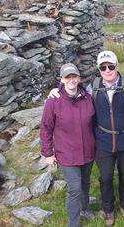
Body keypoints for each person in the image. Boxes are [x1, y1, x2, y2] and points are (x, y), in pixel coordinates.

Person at [48, 51, 124, 226]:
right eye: (103, 67)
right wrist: (56, 90)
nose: (107, 70)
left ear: (117, 66)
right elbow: (72, 92)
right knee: (106, 177)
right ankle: (108, 210)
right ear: (99, 69)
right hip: (102, 142)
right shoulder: (92, 88)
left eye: (111, 66)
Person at [40, 63, 96, 227]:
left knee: (85, 183)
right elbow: (45, 128)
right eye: (67, 77)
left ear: (79, 78)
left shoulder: (87, 97)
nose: (71, 80)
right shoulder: (53, 101)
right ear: (62, 79)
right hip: (67, 153)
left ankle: (84, 209)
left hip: (88, 151)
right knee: (74, 188)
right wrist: (48, 153)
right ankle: (73, 223)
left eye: (74, 76)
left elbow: (94, 122)